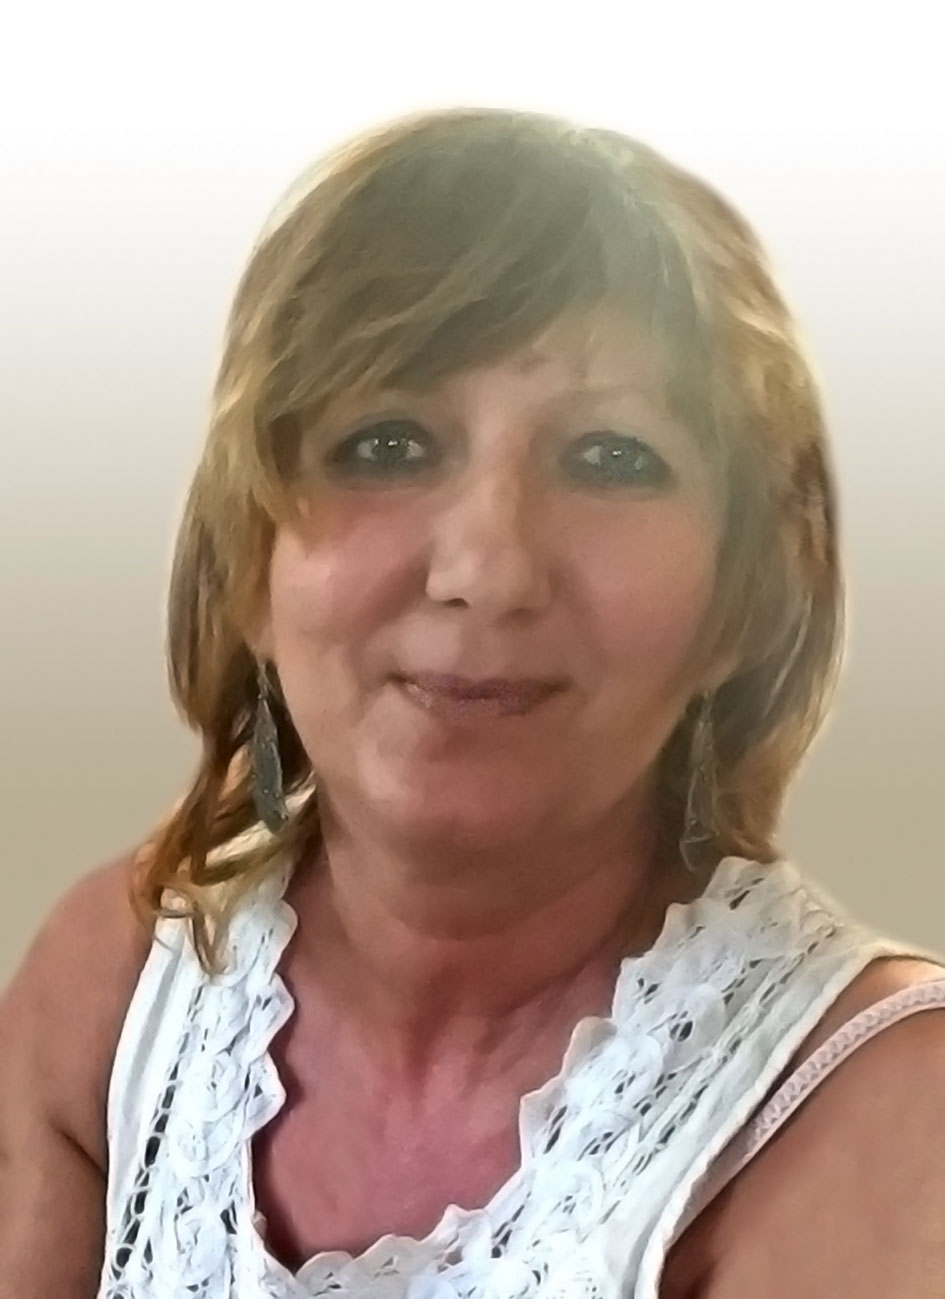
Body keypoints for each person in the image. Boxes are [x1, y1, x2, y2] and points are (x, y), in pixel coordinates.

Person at [1, 107, 944, 1299]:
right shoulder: (119, 979)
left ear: (747, 600)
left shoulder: (889, 1110)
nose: (487, 569)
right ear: (248, 567)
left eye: (610, 458)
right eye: (388, 445)